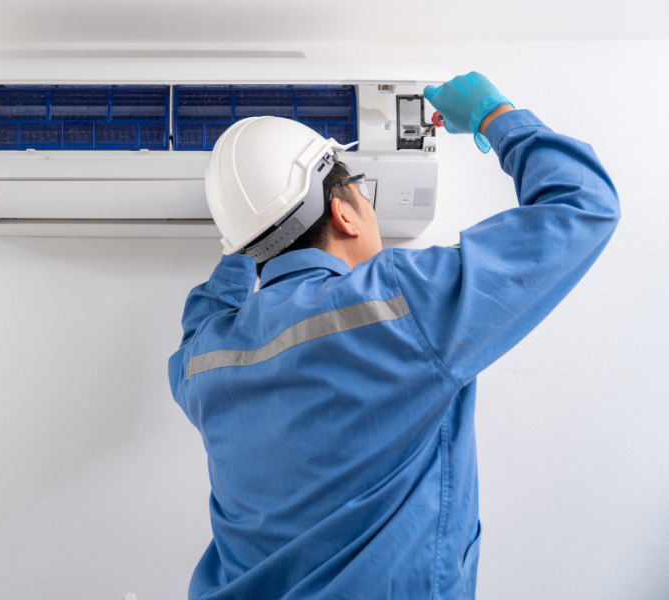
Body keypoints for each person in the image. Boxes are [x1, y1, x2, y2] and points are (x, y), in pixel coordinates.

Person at [167, 72, 620, 600]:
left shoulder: (204, 361)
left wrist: (248, 237)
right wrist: (492, 115)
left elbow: (204, 313)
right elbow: (581, 207)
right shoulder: (402, 302)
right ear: (343, 212)